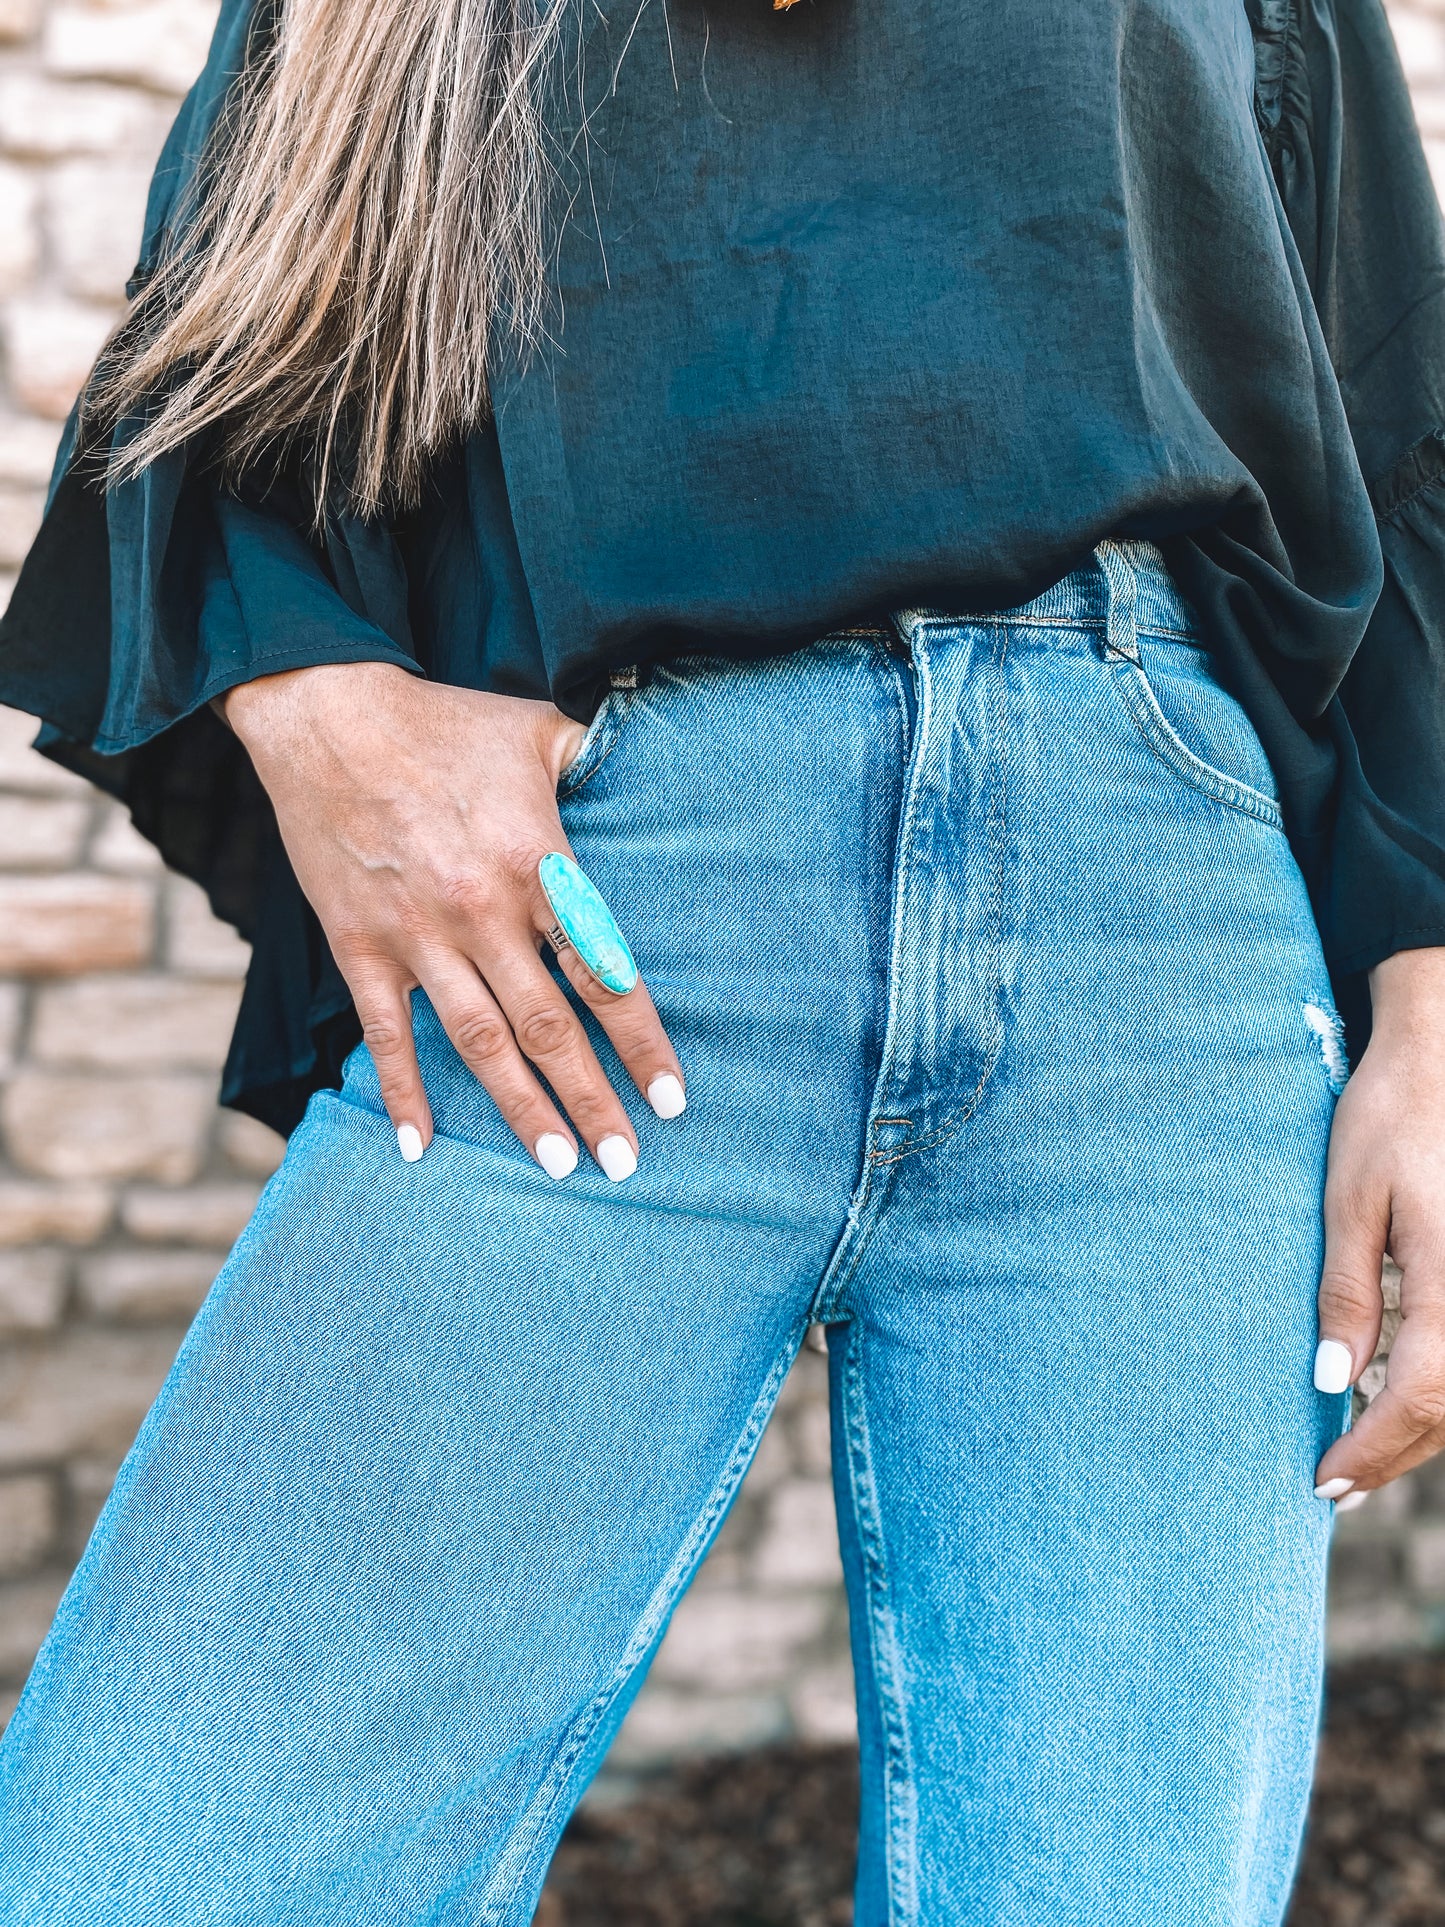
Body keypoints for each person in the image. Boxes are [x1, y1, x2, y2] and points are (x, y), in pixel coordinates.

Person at [1, 0, 1444, 1920]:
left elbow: (1387, 406)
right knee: (155, 1871)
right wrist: (309, 697)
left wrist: (1432, 996)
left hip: (1158, 932)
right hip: (606, 904)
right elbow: (208, 356)